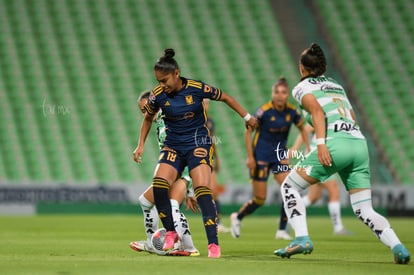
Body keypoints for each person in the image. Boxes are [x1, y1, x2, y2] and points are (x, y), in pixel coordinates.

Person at [274, 43, 410, 264]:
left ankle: (301, 238)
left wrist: (321, 144)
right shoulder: (336, 85)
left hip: (335, 144)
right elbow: (352, 119)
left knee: (289, 186)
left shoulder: (302, 87)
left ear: (302, 68)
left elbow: (317, 111)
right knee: (364, 208)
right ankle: (398, 247)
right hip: (358, 143)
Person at [133, 49, 257, 258]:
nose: (161, 85)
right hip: (173, 145)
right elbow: (147, 117)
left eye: (164, 80)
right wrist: (140, 145)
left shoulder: (196, 88)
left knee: (202, 190)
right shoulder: (158, 95)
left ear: (176, 73)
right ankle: (171, 232)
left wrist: (246, 117)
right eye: (158, 81)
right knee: (160, 184)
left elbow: (225, 97)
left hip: (197, 143)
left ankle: (213, 246)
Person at [230, 78, 309, 240]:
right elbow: (248, 132)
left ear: (288, 95)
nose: (280, 96)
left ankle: (281, 230)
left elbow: (304, 128)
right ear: (272, 94)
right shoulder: (264, 111)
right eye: (277, 92)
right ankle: (237, 218)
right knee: (260, 199)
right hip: (260, 157)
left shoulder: (292, 112)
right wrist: (250, 157)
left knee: (289, 189)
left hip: (279, 158)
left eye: (283, 92)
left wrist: (305, 148)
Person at [130, 91, 199, 256]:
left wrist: (190, 184)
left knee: (172, 204)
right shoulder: (160, 122)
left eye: (147, 108)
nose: (146, 113)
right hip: (177, 169)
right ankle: (154, 243)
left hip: (183, 169)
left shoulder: (170, 119)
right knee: (146, 202)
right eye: (142, 111)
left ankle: (188, 248)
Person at [291, 123, 351, 235]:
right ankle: (338, 227)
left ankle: (289, 215)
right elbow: (305, 130)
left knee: (313, 197)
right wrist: (295, 148)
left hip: (324, 156)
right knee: (334, 191)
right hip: (318, 156)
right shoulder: (325, 116)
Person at [203, 98, 231, 233]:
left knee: (214, 192)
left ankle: (217, 223)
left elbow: (213, 141)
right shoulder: (190, 119)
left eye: (207, 103)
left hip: (208, 159)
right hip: (192, 160)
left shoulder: (210, 122)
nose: (205, 105)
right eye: (203, 102)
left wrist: (216, 159)